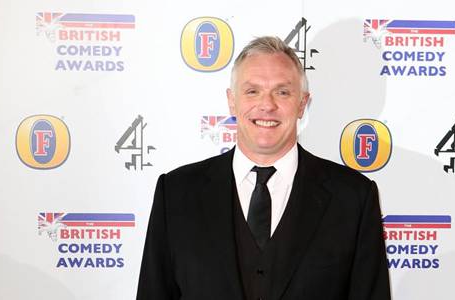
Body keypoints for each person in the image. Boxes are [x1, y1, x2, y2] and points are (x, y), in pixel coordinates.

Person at [136, 36, 391, 300]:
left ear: (302, 103)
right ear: (232, 101)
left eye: (282, 92)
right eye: (252, 91)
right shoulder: (177, 193)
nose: (267, 105)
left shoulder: (353, 198)